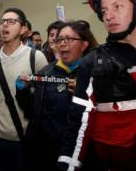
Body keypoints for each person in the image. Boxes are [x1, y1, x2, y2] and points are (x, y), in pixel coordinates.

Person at [58, 0, 136, 171]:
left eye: (117, 6)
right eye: (103, 11)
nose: (108, 16)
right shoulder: (92, 63)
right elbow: (78, 123)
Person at [16, 20, 98, 171]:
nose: (62, 44)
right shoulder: (45, 73)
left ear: (84, 45)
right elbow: (30, 112)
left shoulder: (95, 74)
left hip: (80, 154)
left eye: (69, 39)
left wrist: (86, 94)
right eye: (59, 39)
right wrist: (22, 91)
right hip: (45, 153)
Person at [0, 8, 47, 171]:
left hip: (25, 138)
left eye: (11, 21)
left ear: (23, 29)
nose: (4, 25)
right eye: (2, 22)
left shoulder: (36, 57)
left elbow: (45, 99)